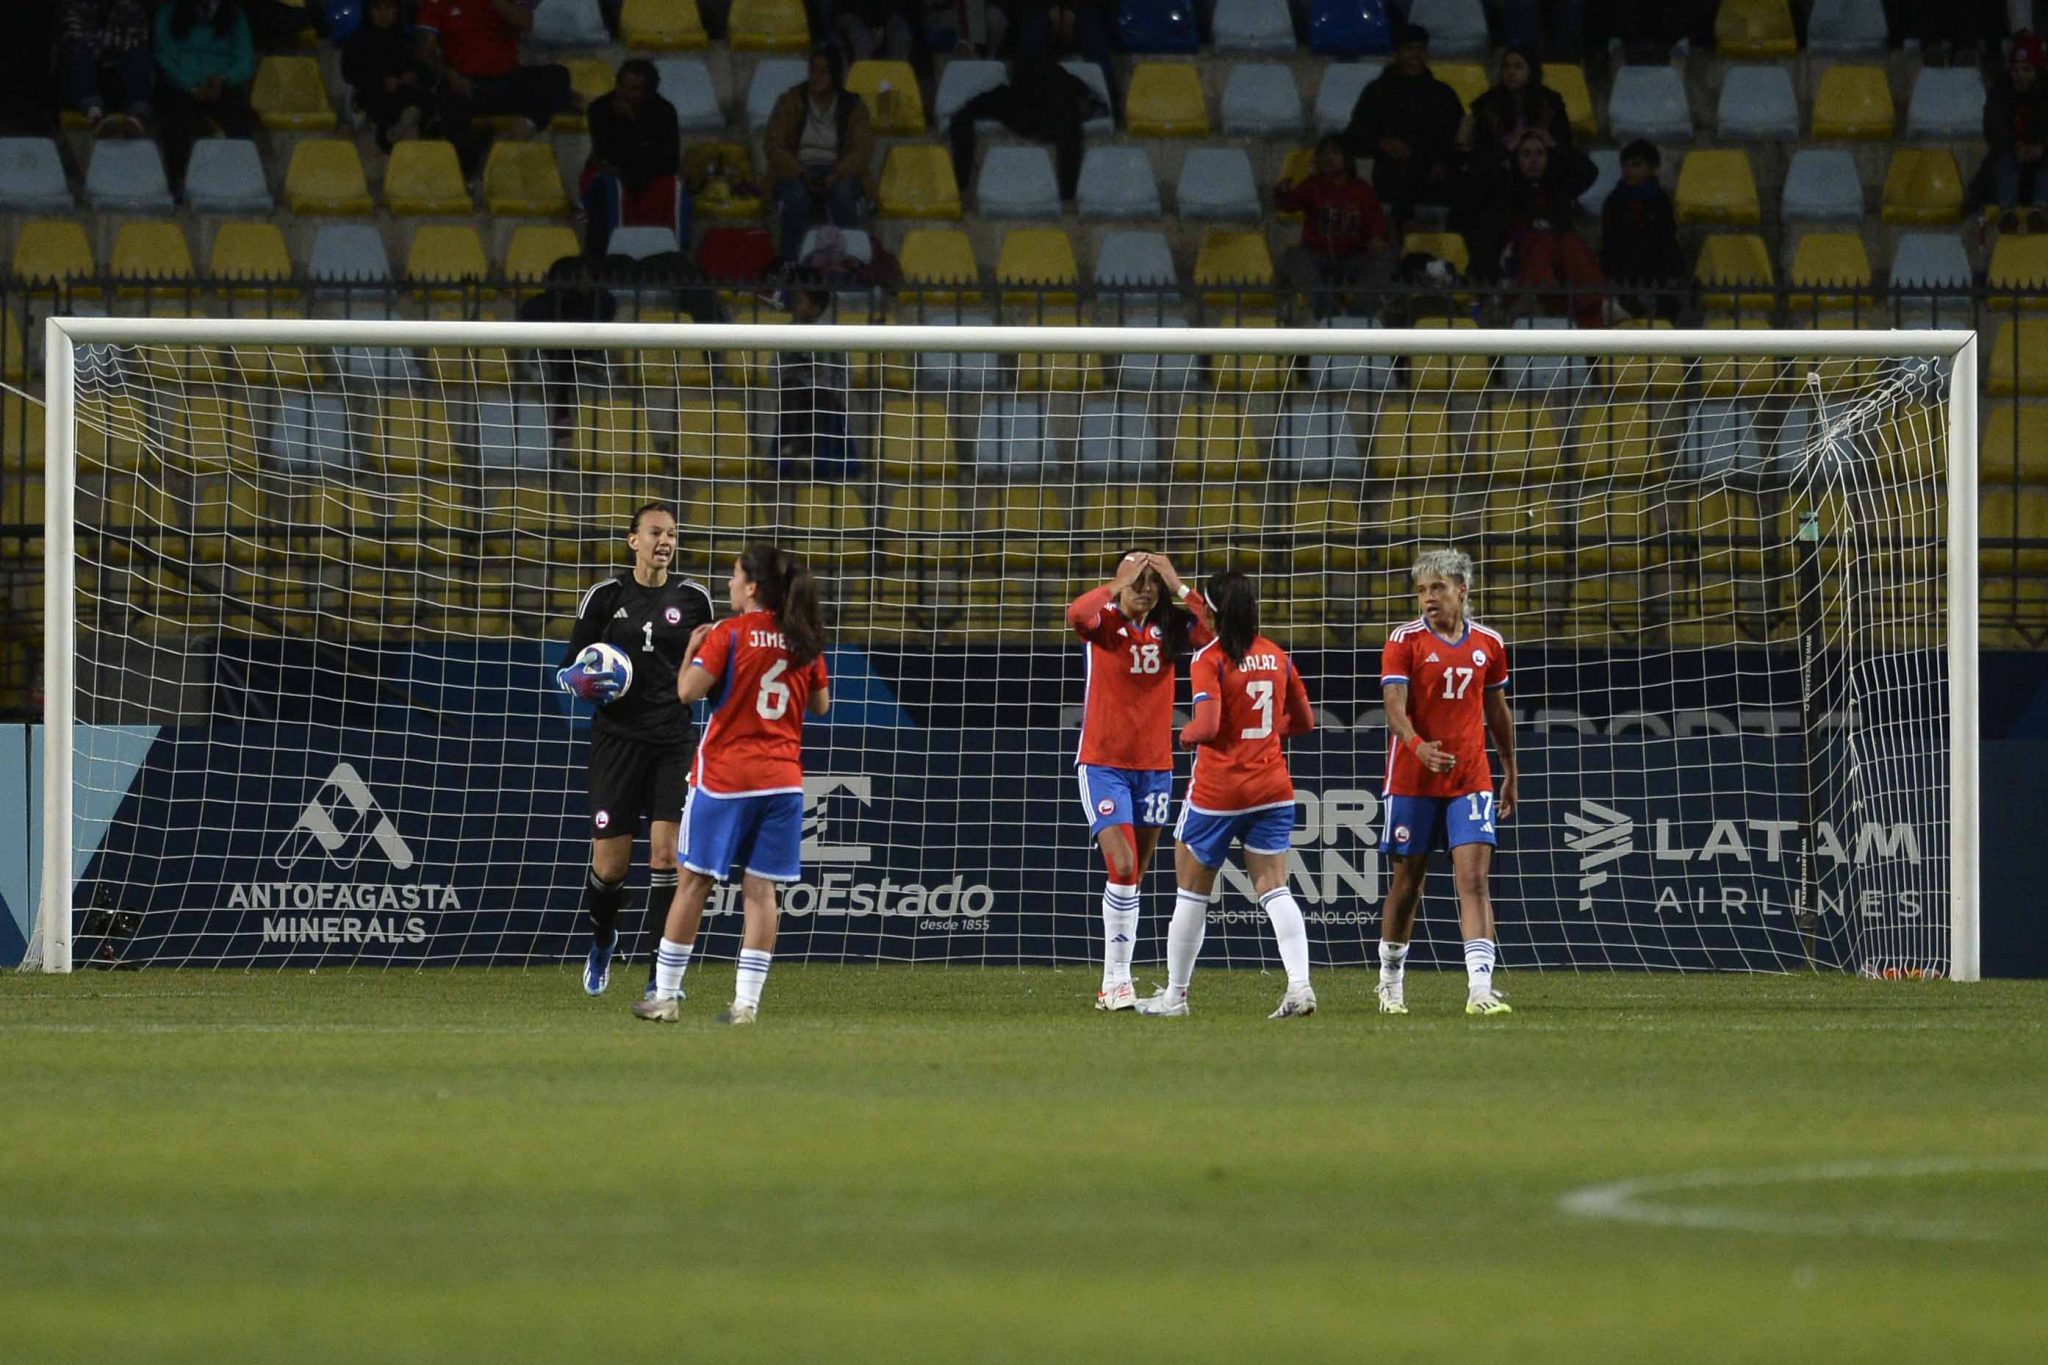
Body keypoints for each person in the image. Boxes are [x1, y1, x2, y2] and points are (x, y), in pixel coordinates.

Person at [632, 546, 831, 1026]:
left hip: (726, 778)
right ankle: (746, 1005)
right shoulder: (802, 637)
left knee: (693, 884)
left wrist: (690, 652)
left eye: (735, 576)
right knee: (761, 891)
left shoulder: (729, 633)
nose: (729, 584)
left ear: (753, 587)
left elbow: (687, 692)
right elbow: (821, 705)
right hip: (782, 782)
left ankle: (666, 996)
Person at [1135, 571, 1318, 1020]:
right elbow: (1304, 722)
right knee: (1274, 888)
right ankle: (1300, 986)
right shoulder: (1276, 655)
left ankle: (1175, 997)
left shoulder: (1209, 658)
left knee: (1191, 894)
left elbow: (1208, 726)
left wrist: (1185, 735)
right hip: (1272, 787)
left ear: (1213, 615)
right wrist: (1265, 734)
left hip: (1218, 793)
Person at [554, 502, 717, 999]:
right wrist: (584, 681)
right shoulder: (605, 596)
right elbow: (567, 670)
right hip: (616, 743)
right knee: (610, 869)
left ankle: (658, 979)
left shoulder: (694, 600)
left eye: (672, 534)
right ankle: (603, 938)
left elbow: (710, 669)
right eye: (655, 533)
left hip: (672, 742)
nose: (665, 541)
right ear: (634, 541)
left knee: (666, 858)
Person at [1066, 552, 1213, 1011]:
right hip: (1103, 764)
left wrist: (1179, 585)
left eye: (1152, 581)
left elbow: (1217, 632)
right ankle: (1116, 980)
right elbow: (1076, 614)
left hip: (1154, 767)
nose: (1145, 588)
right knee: (1124, 864)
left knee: (1134, 874)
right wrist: (1117, 586)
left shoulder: (1170, 627)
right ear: (1120, 579)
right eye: (1138, 579)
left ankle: (1117, 983)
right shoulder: (1105, 624)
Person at [1376, 549, 1518, 1018]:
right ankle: (1390, 981)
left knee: (1474, 880)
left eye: (1437, 588)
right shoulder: (1404, 640)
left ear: (1462, 590)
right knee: (1408, 885)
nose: (1428, 598)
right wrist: (1417, 746)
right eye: (1421, 590)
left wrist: (1509, 769)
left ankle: (1480, 989)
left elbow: (1496, 710)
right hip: (1413, 778)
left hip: (1469, 777)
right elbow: (1394, 706)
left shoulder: (1489, 644)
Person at [417, 0, 574, 177]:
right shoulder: (438, 3)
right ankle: (467, 173)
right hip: (468, 84)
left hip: (509, 80)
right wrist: (449, 73)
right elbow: (424, 49)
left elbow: (526, 24)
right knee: (447, 98)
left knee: (557, 75)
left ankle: (526, 125)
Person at [1469, 130, 1604, 326]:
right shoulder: (1504, 185)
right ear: (1516, 158)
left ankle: (1591, 305)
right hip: (1516, 255)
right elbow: (1477, 175)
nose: (1533, 160)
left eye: (1540, 153)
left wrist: (1554, 144)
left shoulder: (1558, 187)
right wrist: (1508, 147)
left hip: (1560, 257)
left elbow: (1588, 171)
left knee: (1569, 241)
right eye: (1526, 154)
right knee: (1543, 239)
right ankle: (1545, 298)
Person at [1341, 22, 1466, 226]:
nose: (1416, 55)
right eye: (1409, 49)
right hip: (1393, 178)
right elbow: (1354, 136)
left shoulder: (1443, 94)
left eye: (1421, 49)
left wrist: (1444, 163)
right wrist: (1382, 143)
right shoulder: (1377, 92)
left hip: (1435, 178)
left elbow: (1459, 139)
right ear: (1396, 53)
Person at [947, 51, 1105, 209]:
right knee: (1069, 121)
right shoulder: (1066, 97)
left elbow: (965, 112)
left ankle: (961, 183)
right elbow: (1092, 99)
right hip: (1052, 113)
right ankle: (1068, 194)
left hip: (1034, 110)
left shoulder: (1008, 97)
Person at [766, 49, 874, 261]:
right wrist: (801, 172)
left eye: (824, 72)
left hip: (839, 169)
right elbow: (773, 145)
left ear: (835, 75)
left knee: (844, 196)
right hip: (797, 168)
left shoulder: (853, 105)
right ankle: (790, 263)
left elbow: (863, 149)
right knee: (797, 199)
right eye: (813, 71)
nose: (816, 77)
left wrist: (837, 173)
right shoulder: (790, 101)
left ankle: (848, 262)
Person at [1276, 135, 1394, 320]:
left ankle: (1358, 318)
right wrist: (1282, 193)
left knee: (1385, 259)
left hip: (1354, 258)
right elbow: (1289, 204)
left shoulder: (1362, 190)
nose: (1328, 158)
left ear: (1347, 157)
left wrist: (1377, 239)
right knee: (1294, 257)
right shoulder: (1312, 185)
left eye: (1334, 153)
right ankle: (1328, 317)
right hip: (1318, 257)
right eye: (1324, 154)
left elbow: (1376, 223)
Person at [580, 59, 687, 257]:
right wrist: (628, 127)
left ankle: (664, 253)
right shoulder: (600, 108)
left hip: (649, 171)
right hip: (614, 171)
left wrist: (633, 122)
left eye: (634, 90)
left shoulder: (664, 111)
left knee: (670, 187)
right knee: (606, 185)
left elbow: (670, 160)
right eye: (622, 86)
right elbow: (608, 153)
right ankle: (601, 255)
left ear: (648, 92)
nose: (625, 94)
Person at [154, 0, 257, 195]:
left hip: (223, 86)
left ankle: (243, 179)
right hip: (181, 87)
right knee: (175, 118)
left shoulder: (235, 16)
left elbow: (245, 59)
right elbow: (165, 57)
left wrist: (224, 79)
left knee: (240, 117)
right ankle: (178, 180)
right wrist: (190, 86)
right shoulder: (168, 14)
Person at [773, 287, 856, 479]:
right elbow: (776, 365)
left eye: (801, 301)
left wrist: (839, 394)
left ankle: (807, 449)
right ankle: (793, 445)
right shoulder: (788, 332)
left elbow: (845, 368)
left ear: (816, 307)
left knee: (820, 399)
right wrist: (780, 384)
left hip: (823, 390)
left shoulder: (830, 333)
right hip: (795, 388)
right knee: (792, 393)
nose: (796, 305)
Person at [1600, 139, 1685, 320]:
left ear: (1652, 169)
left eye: (1636, 165)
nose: (1628, 171)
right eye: (1625, 166)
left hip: (1656, 271)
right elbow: (1610, 242)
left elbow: (1666, 239)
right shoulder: (1614, 201)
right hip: (1623, 271)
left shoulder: (1660, 201)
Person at [1461, 45, 1574, 178]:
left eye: (1518, 67)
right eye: (1506, 67)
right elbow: (1481, 154)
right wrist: (1508, 147)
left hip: (1544, 170)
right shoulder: (1487, 104)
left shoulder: (1551, 102)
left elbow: (1564, 143)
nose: (1511, 72)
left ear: (1531, 71)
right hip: (1500, 173)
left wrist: (1547, 141)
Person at [341, 0, 437, 152]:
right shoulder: (358, 40)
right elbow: (350, 72)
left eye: (389, 8)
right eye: (377, 8)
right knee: (384, 101)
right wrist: (380, 80)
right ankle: (392, 134)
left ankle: (396, 133)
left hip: (405, 91)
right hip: (372, 93)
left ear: (397, 11)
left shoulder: (405, 40)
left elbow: (425, 70)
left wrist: (413, 75)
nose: (383, 14)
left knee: (427, 99)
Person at [57, 0, 156, 138]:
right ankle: (94, 115)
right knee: (78, 54)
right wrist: (109, 48)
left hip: (119, 73)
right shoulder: (77, 7)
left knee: (138, 55)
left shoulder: (131, 9)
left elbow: (136, 41)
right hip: (87, 73)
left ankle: (137, 116)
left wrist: (100, 47)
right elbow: (73, 37)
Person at [1982, 31, 2048, 231]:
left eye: (2027, 70)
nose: (2020, 76)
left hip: (2042, 153)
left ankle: (2040, 210)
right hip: (2012, 152)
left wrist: (2041, 146)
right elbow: (1993, 127)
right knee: (2004, 157)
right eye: (2016, 70)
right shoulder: (2001, 90)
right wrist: (2015, 145)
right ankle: (2007, 212)